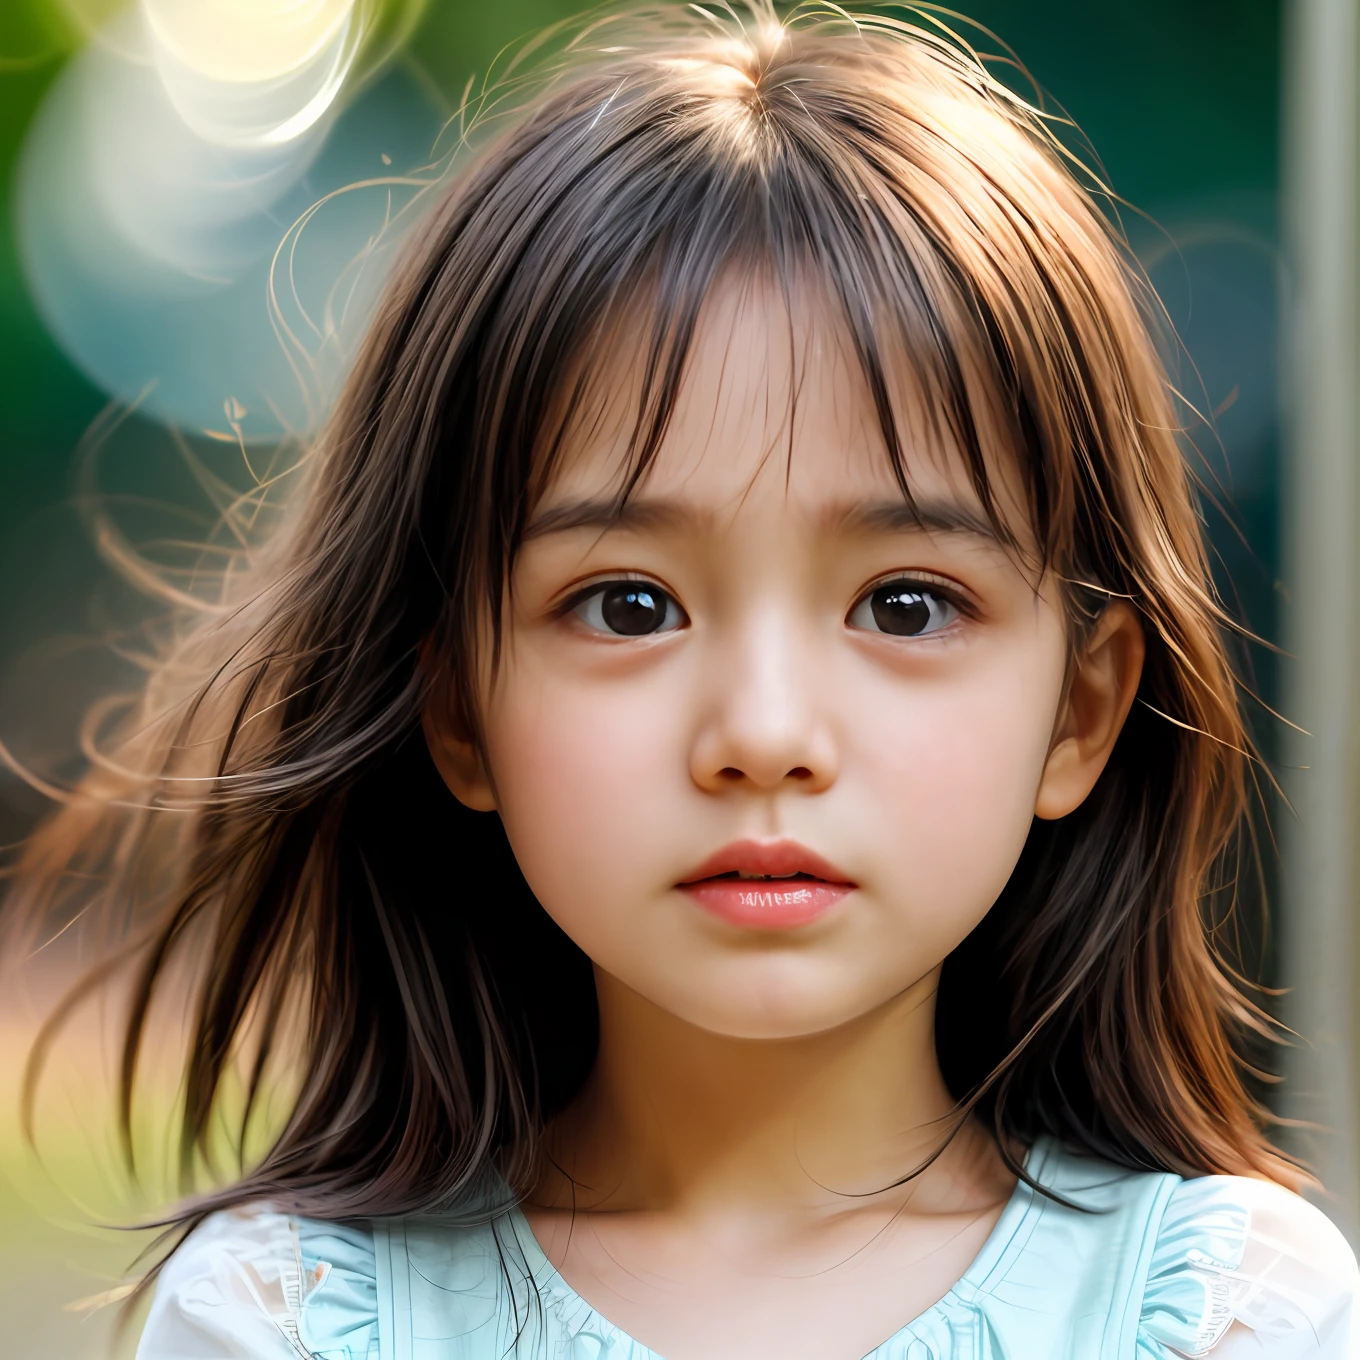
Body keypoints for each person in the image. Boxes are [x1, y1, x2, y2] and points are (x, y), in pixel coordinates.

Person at [12, 4, 1357, 1355]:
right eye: (629, 604)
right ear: (457, 710)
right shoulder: (283, 1322)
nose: (763, 735)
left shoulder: (1234, 1317)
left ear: (1080, 711)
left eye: (904, 604)